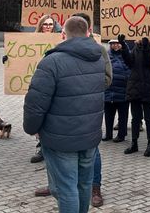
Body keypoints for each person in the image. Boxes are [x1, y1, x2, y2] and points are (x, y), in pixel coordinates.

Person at [23, 16, 105, 213]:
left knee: (66, 188)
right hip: (89, 136)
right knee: (84, 184)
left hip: (61, 139)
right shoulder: (99, 59)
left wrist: (32, 128)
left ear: (62, 34)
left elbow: (35, 103)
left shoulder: (51, 62)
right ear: (87, 33)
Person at [119, 35, 150, 157]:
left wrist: (146, 47)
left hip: (148, 86)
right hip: (135, 86)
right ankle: (134, 143)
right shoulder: (136, 47)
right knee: (135, 118)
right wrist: (124, 47)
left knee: (148, 118)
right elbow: (129, 62)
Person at [30, 14, 59, 164]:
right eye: (45, 24)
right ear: (40, 26)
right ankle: (41, 147)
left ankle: (49, 147)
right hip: (37, 84)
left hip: (53, 85)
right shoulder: (31, 41)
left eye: (50, 24)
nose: (48, 27)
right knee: (38, 116)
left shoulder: (59, 40)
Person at [103, 39, 131, 143]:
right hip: (109, 90)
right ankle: (108, 133)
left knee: (123, 115)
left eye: (117, 43)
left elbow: (130, 70)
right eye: (113, 43)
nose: (115, 45)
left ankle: (121, 134)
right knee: (108, 114)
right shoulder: (106, 56)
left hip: (123, 90)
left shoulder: (127, 55)